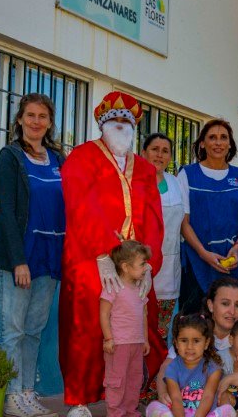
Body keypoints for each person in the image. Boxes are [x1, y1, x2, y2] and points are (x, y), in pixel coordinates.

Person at [60, 91, 165, 416]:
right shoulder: (82, 157)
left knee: (137, 328)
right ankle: (79, 399)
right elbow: (79, 206)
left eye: (126, 120)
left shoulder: (144, 168)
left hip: (134, 267)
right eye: (114, 119)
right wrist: (102, 254)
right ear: (102, 124)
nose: (120, 124)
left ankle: (129, 397)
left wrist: (148, 264)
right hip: (91, 260)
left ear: (134, 127)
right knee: (87, 327)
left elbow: (154, 216)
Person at [0, 93, 65, 417]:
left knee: (33, 331)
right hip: (19, 256)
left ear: (50, 122)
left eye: (42, 116)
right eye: (30, 115)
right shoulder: (10, 156)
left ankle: (27, 393)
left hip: (49, 257)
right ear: (19, 119)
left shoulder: (59, 160)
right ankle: (12, 396)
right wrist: (19, 261)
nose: (36, 122)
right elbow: (6, 210)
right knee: (12, 331)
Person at [156, 278, 238, 417]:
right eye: (225, 303)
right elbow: (166, 368)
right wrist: (163, 394)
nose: (232, 311)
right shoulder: (196, 331)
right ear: (210, 305)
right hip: (198, 402)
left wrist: (229, 379)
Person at [178, 119, 238, 315]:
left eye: (223, 138)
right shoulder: (187, 175)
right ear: (202, 143)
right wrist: (203, 253)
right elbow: (183, 222)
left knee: (230, 318)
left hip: (232, 261)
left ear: (230, 144)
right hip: (196, 261)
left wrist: (237, 247)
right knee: (195, 321)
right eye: (212, 137)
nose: (218, 142)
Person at [145, 314, 236, 417]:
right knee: (154, 406)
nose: (189, 347)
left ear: (206, 343)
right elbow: (176, 399)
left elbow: (208, 397)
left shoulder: (213, 368)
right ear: (176, 343)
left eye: (196, 341)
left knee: (227, 410)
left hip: (206, 414)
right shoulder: (172, 368)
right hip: (179, 413)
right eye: (184, 340)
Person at [100, 241, 152, 417]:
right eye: (142, 264)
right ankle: (115, 412)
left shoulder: (140, 289)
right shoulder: (113, 288)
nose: (146, 268)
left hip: (136, 343)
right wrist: (108, 338)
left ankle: (130, 411)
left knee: (134, 380)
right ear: (125, 267)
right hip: (118, 344)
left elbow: (143, 315)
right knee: (117, 380)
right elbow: (104, 314)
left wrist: (145, 340)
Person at [142, 133, 184, 340]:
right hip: (139, 267)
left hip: (169, 268)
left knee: (161, 332)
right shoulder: (134, 180)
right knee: (138, 329)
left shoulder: (176, 183)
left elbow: (184, 223)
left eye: (165, 151)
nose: (159, 155)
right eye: (154, 149)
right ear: (143, 153)